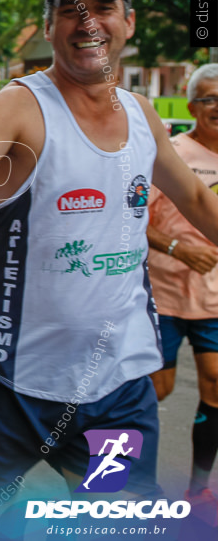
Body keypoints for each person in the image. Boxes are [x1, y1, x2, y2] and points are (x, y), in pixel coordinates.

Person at [0, 0, 218, 508]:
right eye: (70, 11)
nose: (87, 23)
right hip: (3, 384)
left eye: (103, 8)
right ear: (48, 29)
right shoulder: (17, 109)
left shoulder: (142, 115)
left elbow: (195, 198)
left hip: (116, 387)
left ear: (128, 22)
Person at [146, 63, 218, 508]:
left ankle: (198, 487)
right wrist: (177, 247)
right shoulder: (170, 155)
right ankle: (119, 481)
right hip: (165, 294)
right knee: (155, 388)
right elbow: (133, 220)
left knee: (214, 383)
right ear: (192, 106)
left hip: (213, 299)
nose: (217, 108)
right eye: (209, 99)